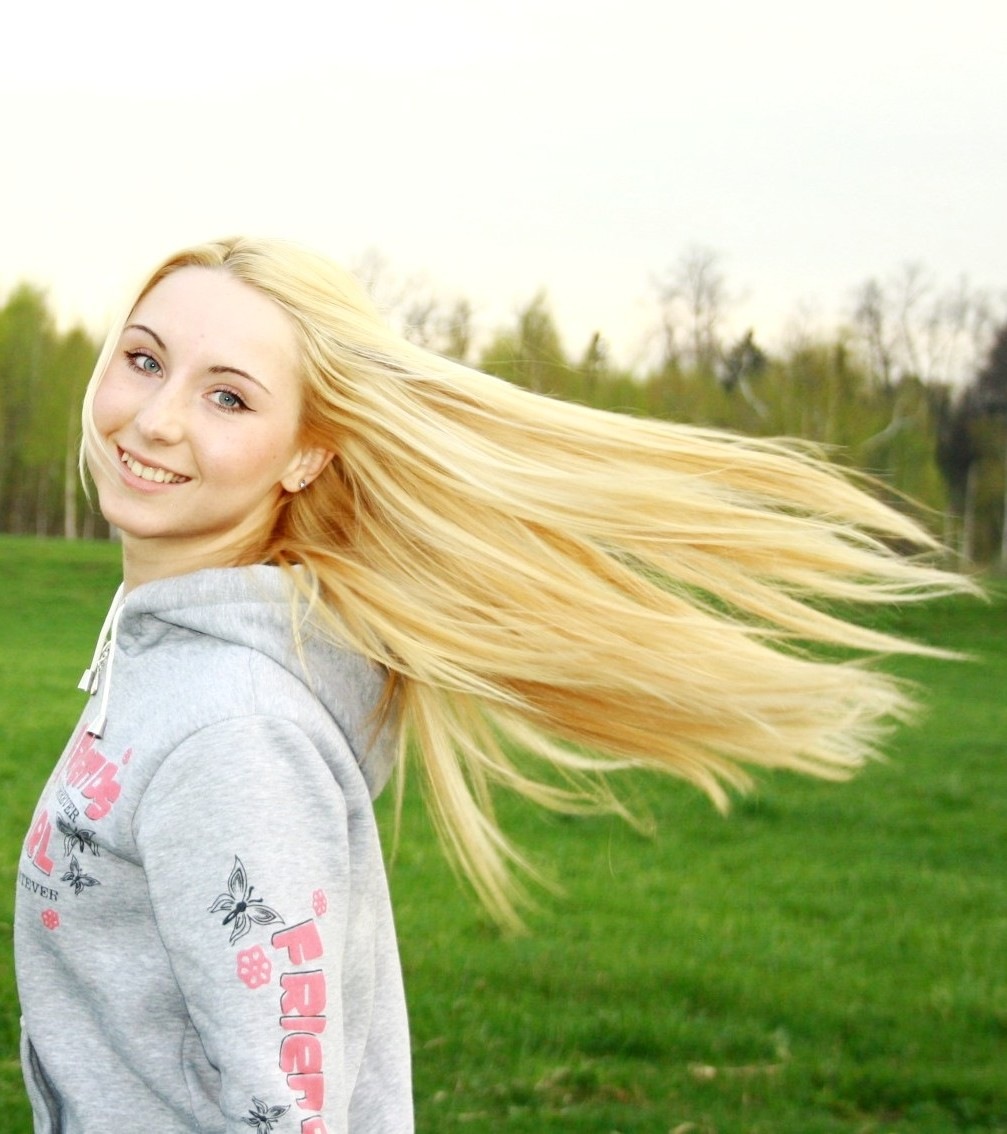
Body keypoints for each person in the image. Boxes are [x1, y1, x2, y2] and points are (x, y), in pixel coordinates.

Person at [15, 237, 975, 1133]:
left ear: (307, 453)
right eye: (144, 360)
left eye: (228, 398)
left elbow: (286, 1111)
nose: (156, 419)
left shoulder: (232, 733)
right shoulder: (171, 661)